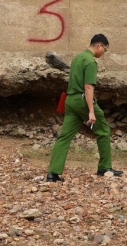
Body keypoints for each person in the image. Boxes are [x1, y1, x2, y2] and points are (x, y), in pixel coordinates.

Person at [47, 34, 122, 181]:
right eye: (105, 50)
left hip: (70, 100)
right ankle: (105, 168)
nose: (103, 53)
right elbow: (88, 87)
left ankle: (53, 173)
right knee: (103, 131)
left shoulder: (77, 59)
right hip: (83, 101)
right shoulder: (90, 62)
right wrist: (91, 111)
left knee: (64, 137)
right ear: (99, 46)